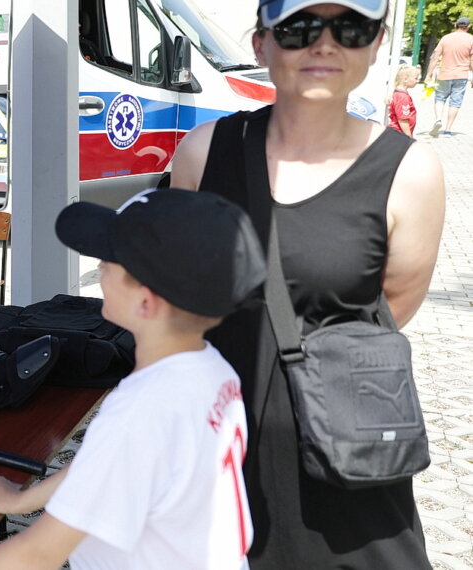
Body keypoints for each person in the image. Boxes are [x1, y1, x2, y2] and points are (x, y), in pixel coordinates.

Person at [170, 0, 445, 567]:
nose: (324, 44)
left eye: (349, 27)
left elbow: (395, 305)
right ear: (260, 44)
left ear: (374, 44)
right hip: (221, 448)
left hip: (346, 457)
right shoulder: (201, 153)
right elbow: (182, 294)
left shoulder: (411, 172)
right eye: (297, 27)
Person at [0, 188, 266, 569]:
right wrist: (24, 500)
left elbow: (37, 554)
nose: (99, 267)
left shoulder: (140, 412)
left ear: (146, 301)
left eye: (109, 260)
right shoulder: (211, 368)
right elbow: (103, 464)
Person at [426, 15, 473, 137]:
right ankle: (448, 129)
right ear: (468, 27)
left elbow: (435, 57)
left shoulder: (445, 38)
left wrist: (428, 75)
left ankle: (438, 120)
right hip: (461, 75)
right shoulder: (471, 40)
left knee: (440, 98)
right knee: (455, 102)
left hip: (444, 74)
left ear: (455, 25)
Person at [389, 64, 420, 136]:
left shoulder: (397, 93)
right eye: (416, 78)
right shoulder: (402, 97)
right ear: (405, 79)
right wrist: (409, 136)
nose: (417, 81)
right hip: (399, 134)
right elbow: (403, 119)